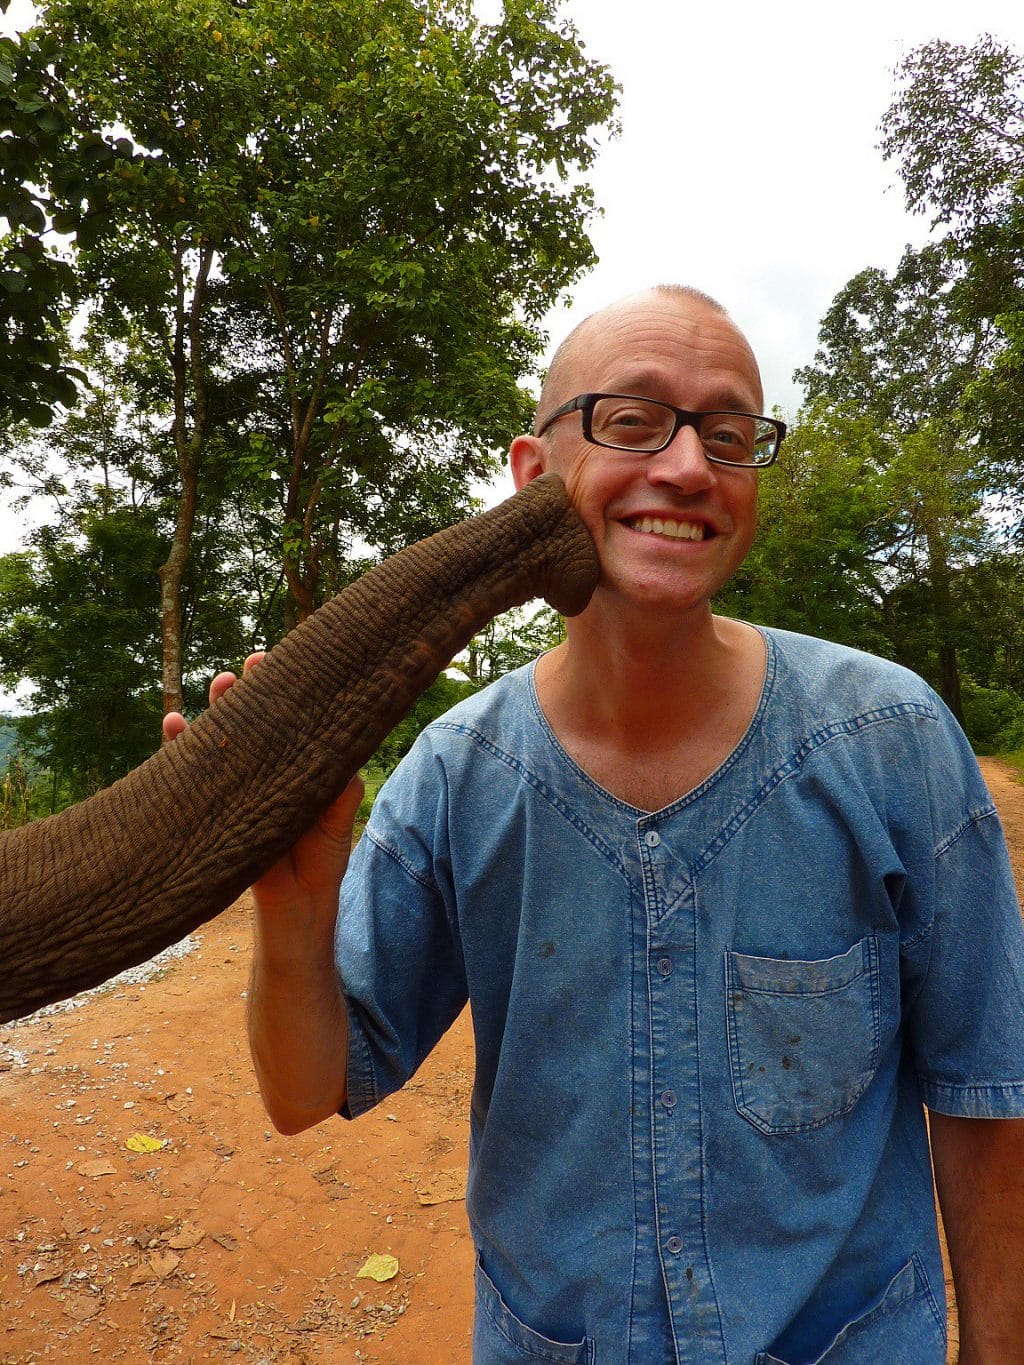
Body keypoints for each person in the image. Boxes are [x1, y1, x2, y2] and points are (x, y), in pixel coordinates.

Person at [168, 286, 1024, 1363]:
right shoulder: (456, 776)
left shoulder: (891, 740)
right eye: (631, 421)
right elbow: (305, 1093)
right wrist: (292, 913)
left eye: (728, 434)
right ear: (533, 474)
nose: (686, 468)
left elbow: (987, 1100)